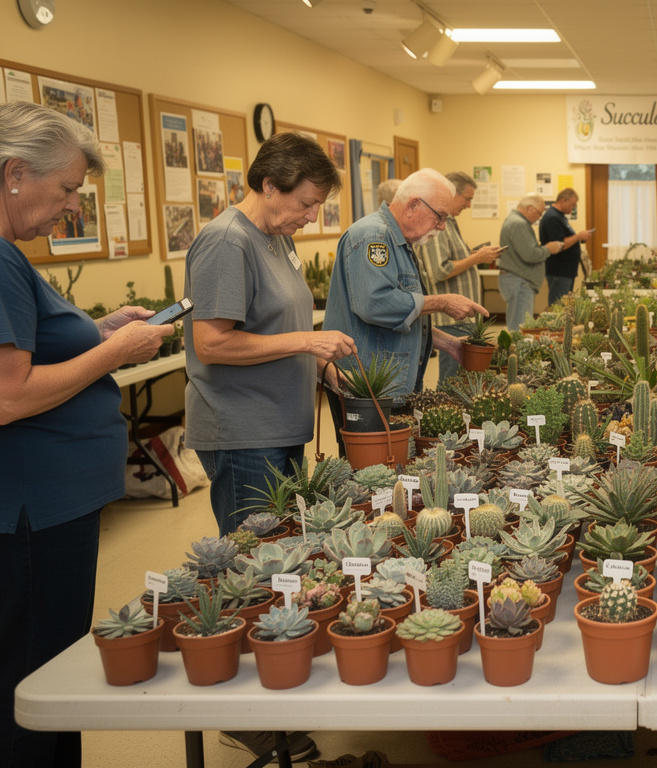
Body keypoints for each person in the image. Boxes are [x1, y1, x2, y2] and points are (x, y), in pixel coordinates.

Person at [0, 102, 173, 768]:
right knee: (37, 683)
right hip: (32, 515)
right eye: (67, 189)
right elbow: (10, 394)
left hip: (42, 508)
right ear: (15, 173)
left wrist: (95, 333)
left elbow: (32, 353)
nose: (73, 205)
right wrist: (117, 350)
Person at [184, 132, 356, 537]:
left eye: (318, 205)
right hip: (245, 433)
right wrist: (308, 341)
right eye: (306, 203)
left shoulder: (279, 237)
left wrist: (321, 368)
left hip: (281, 424)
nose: (313, 216)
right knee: (254, 560)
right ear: (269, 186)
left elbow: (277, 325)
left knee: (286, 552)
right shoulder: (228, 240)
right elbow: (211, 344)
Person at [324, 168, 488, 404]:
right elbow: (376, 305)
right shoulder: (374, 237)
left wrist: (447, 342)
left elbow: (404, 316)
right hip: (367, 387)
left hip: (390, 382)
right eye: (440, 216)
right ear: (412, 206)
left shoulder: (401, 241)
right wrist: (442, 302)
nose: (442, 226)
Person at [413, 171, 503, 384]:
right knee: (451, 381)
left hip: (461, 317)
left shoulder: (451, 223)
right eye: (467, 199)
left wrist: (473, 256)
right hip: (450, 320)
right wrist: (477, 258)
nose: (469, 205)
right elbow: (440, 270)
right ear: (452, 194)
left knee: (461, 378)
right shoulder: (437, 225)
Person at [498, 193, 562, 332]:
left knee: (518, 324)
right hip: (520, 282)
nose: (539, 217)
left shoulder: (514, 221)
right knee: (520, 328)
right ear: (529, 208)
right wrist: (548, 249)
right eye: (539, 213)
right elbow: (530, 254)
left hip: (518, 280)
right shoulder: (519, 223)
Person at [540, 187, 593, 307]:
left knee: (565, 305)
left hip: (566, 271)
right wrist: (578, 236)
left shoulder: (560, 216)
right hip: (559, 271)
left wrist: (579, 238)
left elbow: (567, 239)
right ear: (563, 200)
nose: (573, 208)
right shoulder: (552, 217)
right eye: (572, 204)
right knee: (558, 306)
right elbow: (558, 245)